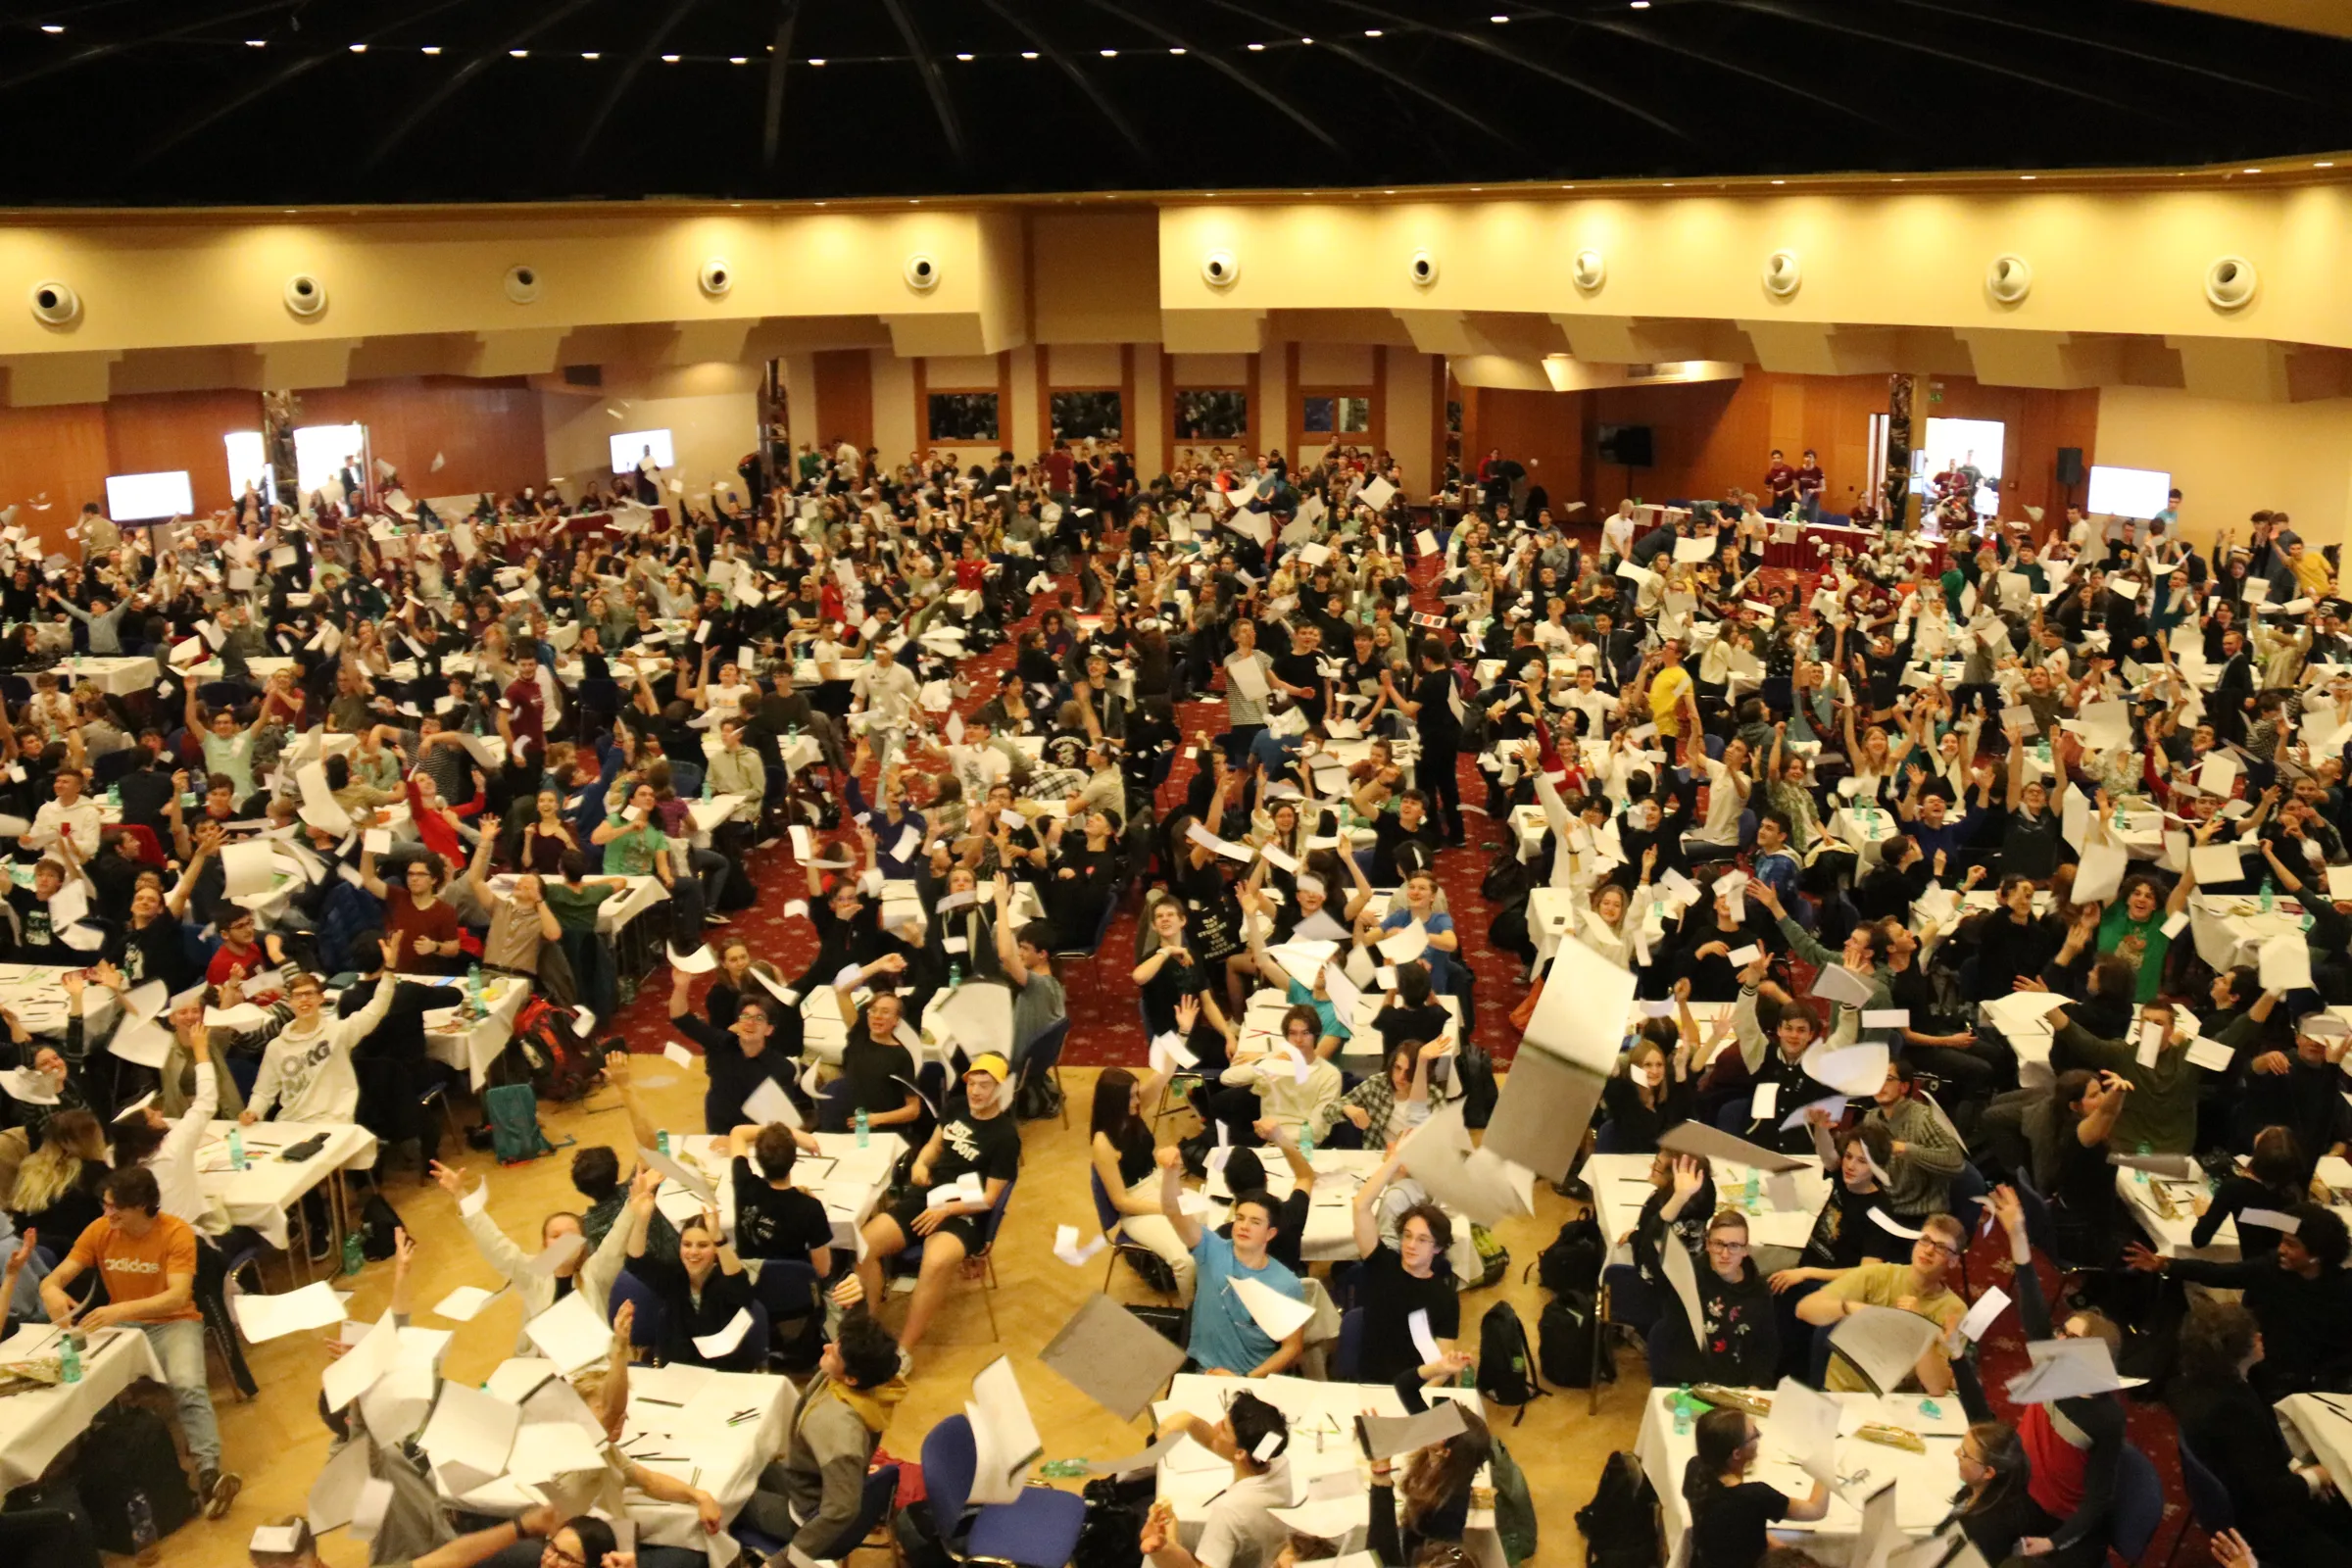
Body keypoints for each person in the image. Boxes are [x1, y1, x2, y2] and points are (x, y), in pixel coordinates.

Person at [41, 1165, 240, 1517]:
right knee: (83, 1381)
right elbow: (56, 1278)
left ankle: (209, 1472)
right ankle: (106, 1474)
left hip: (173, 1323)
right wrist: (51, 1290)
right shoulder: (100, 1230)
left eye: (115, 1207)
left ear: (141, 1206)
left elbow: (177, 1297)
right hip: (123, 1324)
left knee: (188, 1384)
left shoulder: (175, 1233)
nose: (107, 1214)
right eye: (105, 1205)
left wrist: (120, 1310)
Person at [850, 1054, 1020, 1363]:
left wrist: (946, 1211)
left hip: (966, 1210)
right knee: (864, 1245)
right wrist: (920, 1163)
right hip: (928, 1195)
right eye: (972, 1084)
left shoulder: (1006, 1136)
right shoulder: (955, 1108)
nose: (976, 1091)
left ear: (1000, 1089)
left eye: (985, 1085)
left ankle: (903, 1351)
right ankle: (865, 1330)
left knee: (935, 1262)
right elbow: (934, 1146)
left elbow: (989, 1198)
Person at [2167, 1300, 2352, 1567]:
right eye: (2252, 1336)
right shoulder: (2228, 1410)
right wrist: (2315, 1477)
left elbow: (2265, 1447)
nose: (2260, 1337)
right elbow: (2264, 1494)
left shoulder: (2211, 1383)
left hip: (2252, 1493)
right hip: (2259, 1524)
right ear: (2234, 1350)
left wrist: (2300, 1469)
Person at [737, 1276, 908, 1555]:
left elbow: (840, 1510)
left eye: (834, 1354)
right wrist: (858, 1297)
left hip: (805, 1519)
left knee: (726, 1496)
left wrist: (787, 1561)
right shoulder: (871, 1381)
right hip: (806, 1483)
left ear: (850, 1379)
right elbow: (858, 1338)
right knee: (745, 1461)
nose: (827, 1347)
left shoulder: (838, 1428)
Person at [2127, 1202, 2352, 1396]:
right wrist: (2167, 1265)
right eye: (2283, 1241)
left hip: (2310, 1380)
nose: (2281, 1249)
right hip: (2260, 1366)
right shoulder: (2272, 1268)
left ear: (2316, 1256)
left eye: (2291, 1245)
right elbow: (2221, 1273)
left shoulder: (2343, 1290)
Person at [430, 1157, 635, 1354]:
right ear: (545, 1244)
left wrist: (635, 1202)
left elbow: (618, 1238)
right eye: (556, 1236)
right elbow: (495, 1243)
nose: (563, 1242)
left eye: (570, 1235)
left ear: (582, 1244)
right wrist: (461, 1194)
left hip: (594, 1364)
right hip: (544, 1365)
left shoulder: (595, 1272)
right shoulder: (534, 1274)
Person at [1155, 1144, 1305, 1378]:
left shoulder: (1287, 1284)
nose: (1244, 1226)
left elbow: (1292, 1348)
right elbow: (1173, 1211)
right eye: (1240, 1218)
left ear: (1270, 1234)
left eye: (1255, 1222)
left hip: (1253, 1380)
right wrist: (1171, 1173)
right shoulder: (1210, 1249)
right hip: (1204, 1372)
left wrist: (1245, 1380)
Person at [1793, 1212, 1970, 1394]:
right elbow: (1804, 1309)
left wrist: (1918, 1326)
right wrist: (1850, 1307)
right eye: (1925, 1240)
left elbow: (1937, 1387)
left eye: (1941, 1247)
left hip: (1901, 1400)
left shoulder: (1954, 1309)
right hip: (1846, 1393)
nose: (1928, 1250)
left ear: (1954, 1261)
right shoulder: (1878, 1275)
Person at [241, 935, 405, 1127]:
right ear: (290, 1002)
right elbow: (263, 1092)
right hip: (290, 1123)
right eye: (298, 996)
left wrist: (389, 970)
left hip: (334, 1122)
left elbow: (376, 1009)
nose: (304, 1000)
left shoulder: (339, 1032)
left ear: (321, 998)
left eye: (309, 994)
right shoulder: (276, 1047)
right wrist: (253, 1112)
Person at [1350, 1150, 1471, 1386]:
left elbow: (1441, 1368)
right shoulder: (1381, 1263)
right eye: (1407, 1236)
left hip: (1414, 1387)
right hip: (1371, 1384)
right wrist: (1396, 1159)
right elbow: (1360, 1205)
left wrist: (1414, 1396)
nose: (1411, 1245)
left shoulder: (1445, 1298)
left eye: (1422, 1239)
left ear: (1438, 1248)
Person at [1140, 1393, 1295, 1568]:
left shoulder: (1229, 1511)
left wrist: (1170, 1544)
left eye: (1224, 1429)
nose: (1215, 1426)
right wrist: (1189, 1421)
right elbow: (1214, 1440)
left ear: (1241, 1453)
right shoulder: (1275, 1460)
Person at [1087, 1062, 1194, 1301]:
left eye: (1136, 1094)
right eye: (1132, 1096)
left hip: (1159, 1186)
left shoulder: (1131, 1111)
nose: (1138, 1100)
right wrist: (1165, 1209)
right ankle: (1193, 1313)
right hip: (1137, 1208)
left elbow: (1161, 1077)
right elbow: (1121, 1201)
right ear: (1115, 1102)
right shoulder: (1103, 1143)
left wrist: (1176, 1049)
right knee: (1184, 1259)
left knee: (1210, 1222)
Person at [623, 1194, 758, 1370]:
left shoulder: (725, 1279)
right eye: (687, 1244)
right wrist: (641, 1220)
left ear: (715, 1249)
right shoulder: (673, 1277)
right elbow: (635, 1262)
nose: (693, 1252)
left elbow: (738, 1283)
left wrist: (719, 1238)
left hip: (725, 1373)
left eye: (703, 1245)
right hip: (678, 1371)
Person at [1683, 1407, 1830, 1568]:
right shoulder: (1754, 1496)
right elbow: (1816, 1509)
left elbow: (1736, 1529)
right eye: (1754, 1435)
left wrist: (1783, 1550)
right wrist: (1825, 1456)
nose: (1759, 1437)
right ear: (1737, 1454)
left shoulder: (1695, 1468)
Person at [1651, 1208, 1780, 1387]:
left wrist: (1756, 1385)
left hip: (1738, 1386)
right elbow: (1654, 1244)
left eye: (1734, 1246)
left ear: (1746, 1250)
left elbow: (1765, 1348)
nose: (1725, 1254)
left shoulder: (1759, 1291)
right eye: (1718, 1244)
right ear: (1707, 1245)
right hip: (1689, 1381)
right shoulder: (1687, 1279)